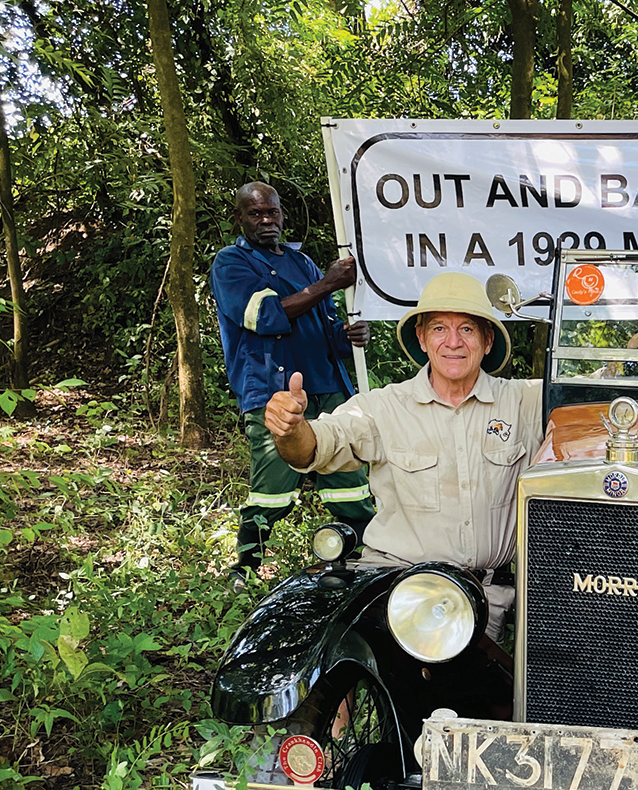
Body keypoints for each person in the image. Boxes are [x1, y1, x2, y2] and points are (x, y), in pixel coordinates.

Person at [264, 271, 543, 640]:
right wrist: (291, 428)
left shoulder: (526, 401)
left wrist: (634, 363)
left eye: (468, 330)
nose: (453, 342)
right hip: (396, 583)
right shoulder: (382, 407)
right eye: (440, 328)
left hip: (482, 595)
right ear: (422, 338)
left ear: (488, 341)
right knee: (345, 669)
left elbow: (596, 404)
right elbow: (315, 446)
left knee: (479, 694)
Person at [211, 181, 375, 583]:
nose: (266, 220)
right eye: (256, 213)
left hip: (328, 387)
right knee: (272, 489)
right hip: (274, 392)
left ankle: (370, 558)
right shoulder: (231, 263)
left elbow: (324, 327)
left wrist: (347, 336)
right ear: (240, 218)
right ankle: (245, 568)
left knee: (349, 486)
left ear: (282, 214)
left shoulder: (303, 264)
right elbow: (265, 317)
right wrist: (328, 284)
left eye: (272, 212)